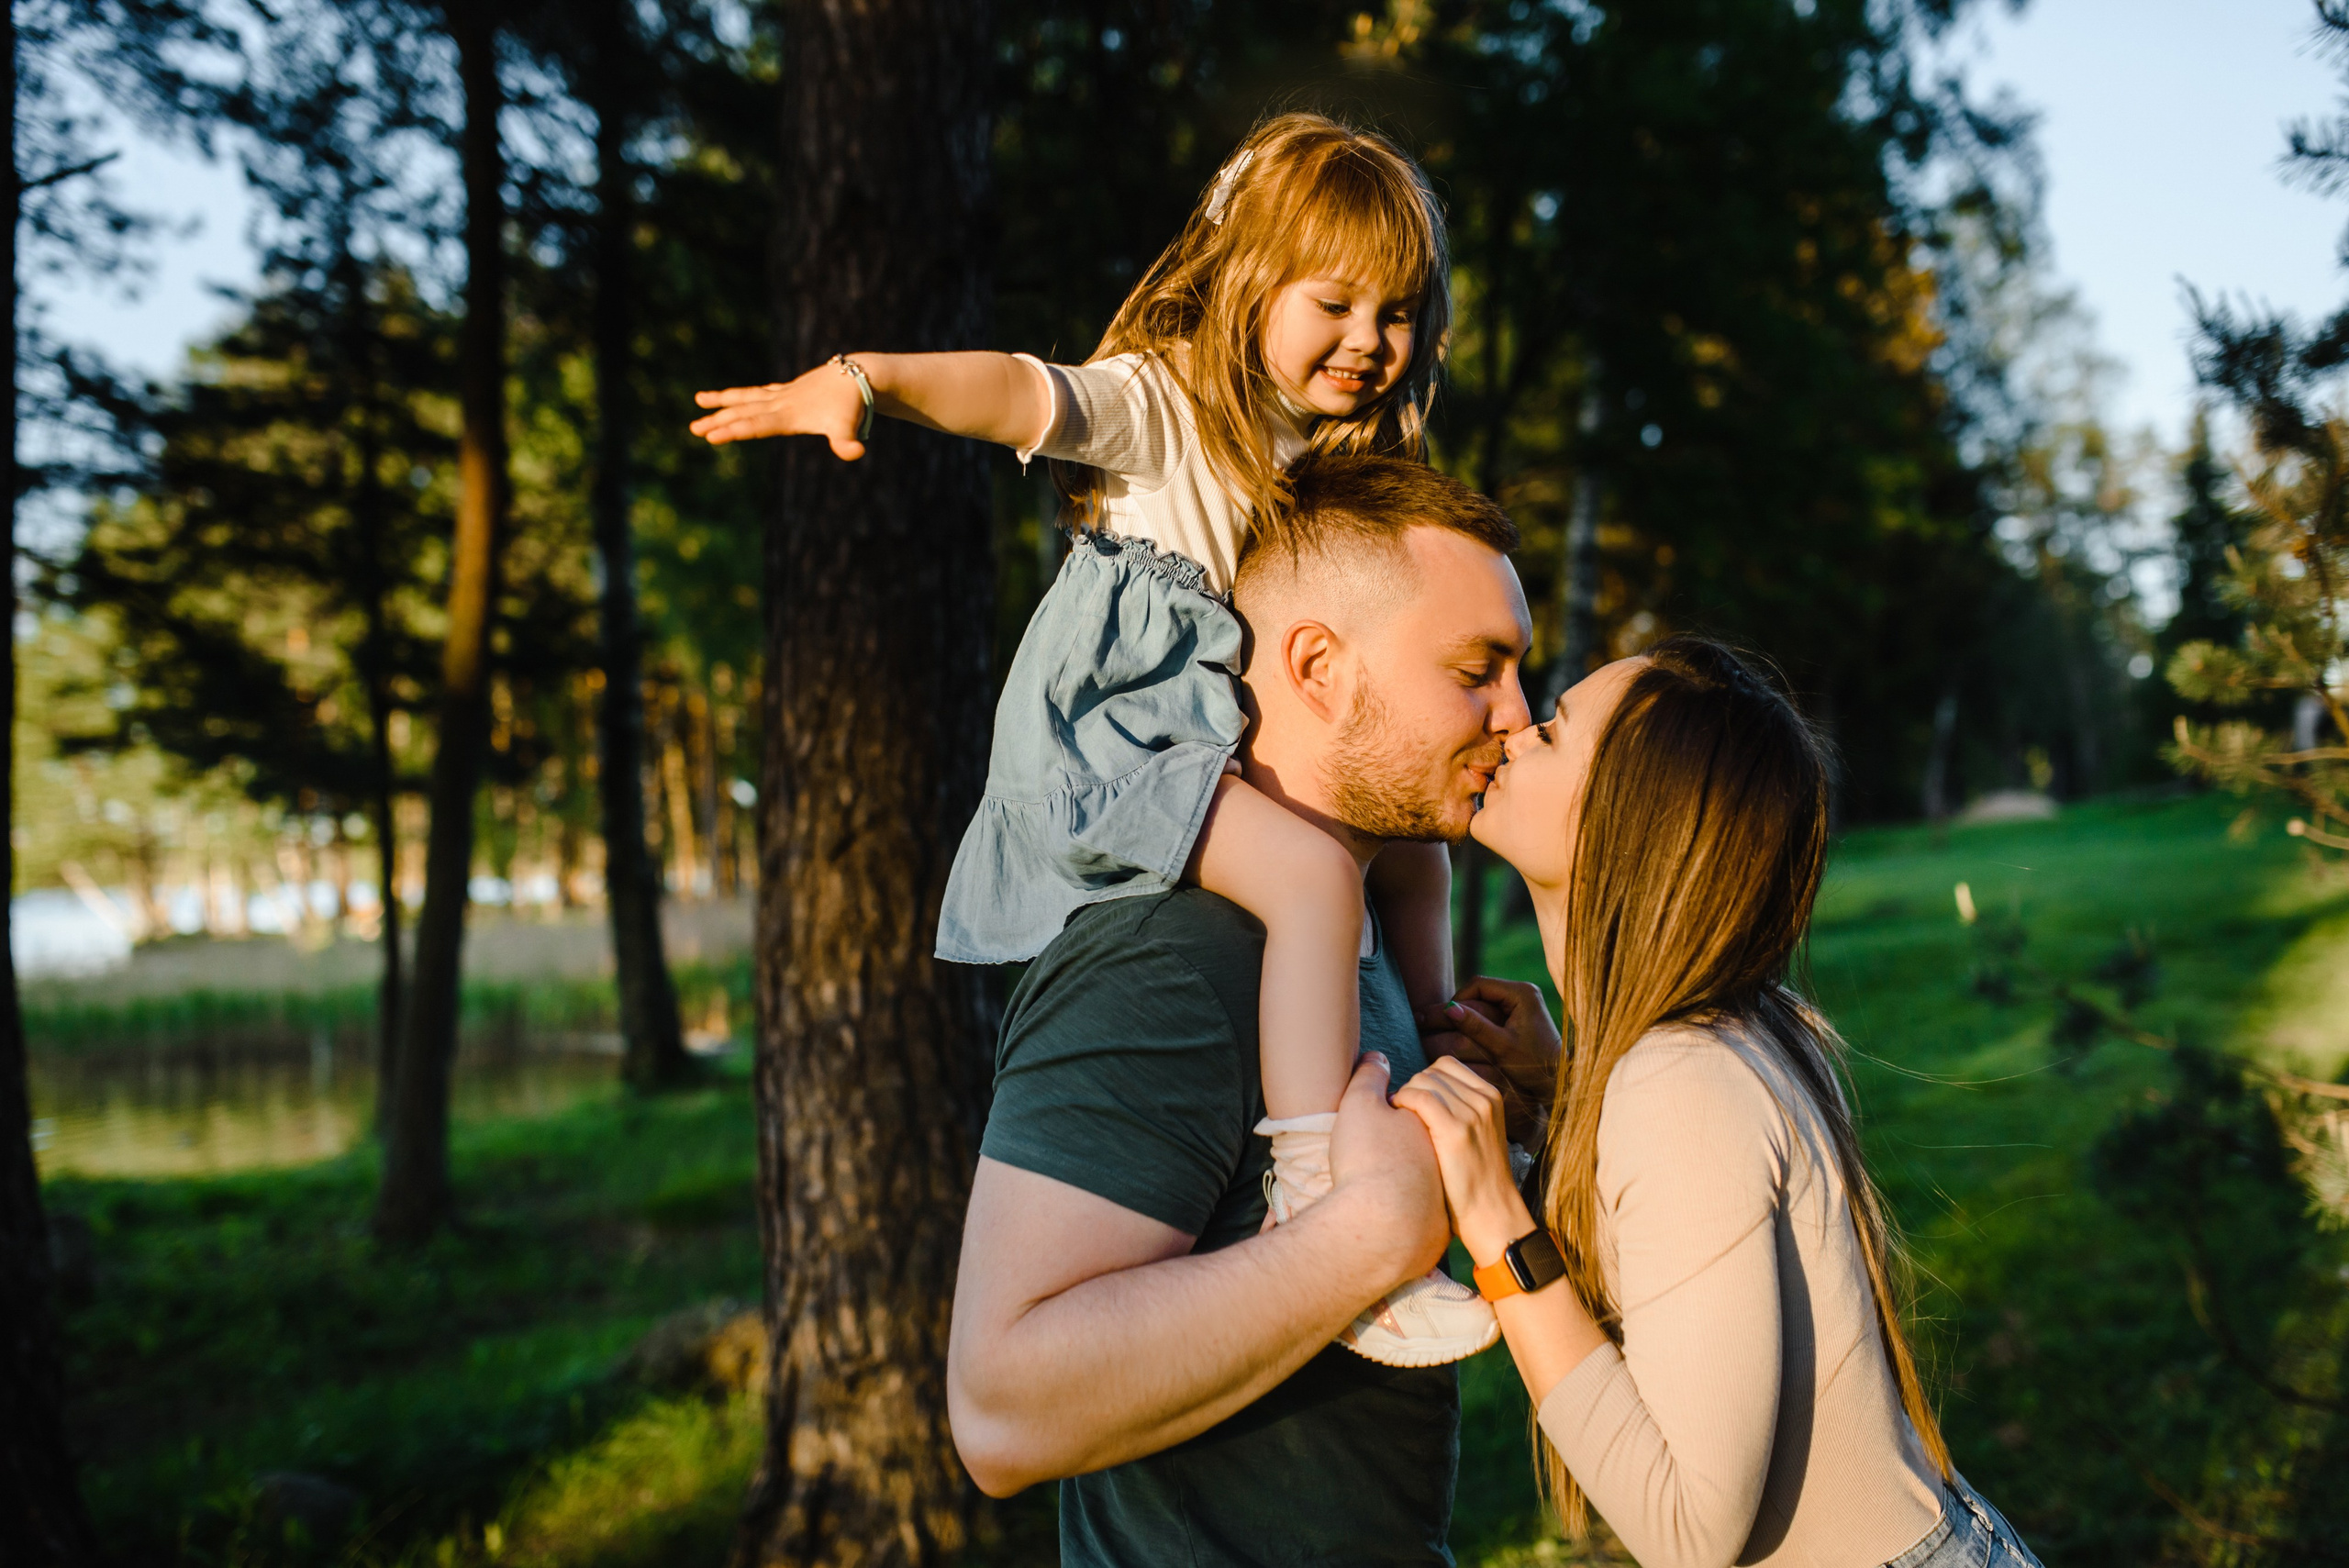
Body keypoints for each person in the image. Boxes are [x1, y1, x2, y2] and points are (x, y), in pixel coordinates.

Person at [689, 113, 1495, 1362]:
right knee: (1314, 880)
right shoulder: (1166, 406)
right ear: (1244, 284)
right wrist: (867, 380)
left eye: (1397, 313)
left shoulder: (1324, 460)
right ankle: (1318, 1196)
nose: (1369, 341)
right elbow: (1020, 388)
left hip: (1215, 737)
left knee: (1415, 860)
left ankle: (1446, 1059)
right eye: (1335, 301)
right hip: (1117, 746)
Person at [946, 453, 1534, 1564]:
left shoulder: (1354, 922)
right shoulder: (1169, 953)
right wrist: (1365, 1238)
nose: (1516, 711)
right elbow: (998, 1409)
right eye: (1477, 669)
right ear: (1318, 664)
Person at [1394, 638, 2046, 1568]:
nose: (1514, 727)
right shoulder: (1728, 1030)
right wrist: (1558, 1105)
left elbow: (1688, 1529)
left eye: (1553, 729)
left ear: (1629, 820)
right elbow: (1669, 1264)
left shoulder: (1679, 1082)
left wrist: (1500, 1226)